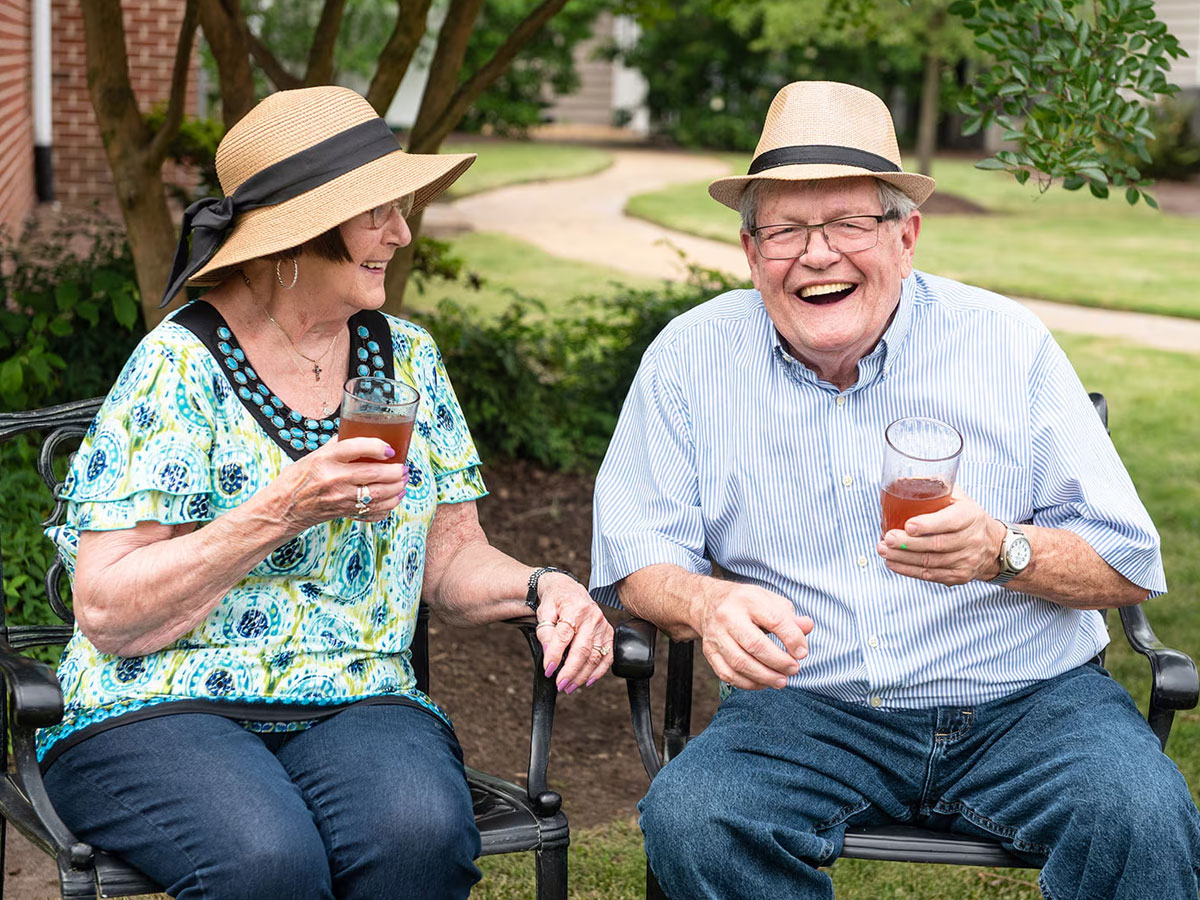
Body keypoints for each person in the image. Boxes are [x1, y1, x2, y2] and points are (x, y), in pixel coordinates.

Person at [589, 80, 1200, 899]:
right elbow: (637, 555)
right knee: (697, 817)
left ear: (906, 236)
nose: (816, 254)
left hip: (1029, 704)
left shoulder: (1005, 344)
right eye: (786, 230)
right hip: (806, 709)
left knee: (1142, 814)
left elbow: (1129, 563)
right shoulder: (690, 359)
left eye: (847, 223)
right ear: (749, 251)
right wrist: (704, 604)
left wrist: (1002, 550)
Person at [38, 85, 613, 900]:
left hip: (357, 694)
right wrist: (285, 505)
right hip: (163, 702)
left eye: (400, 208)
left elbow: (451, 557)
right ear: (303, 229)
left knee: (418, 837)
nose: (402, 233)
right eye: (377, 212)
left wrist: (543, 585)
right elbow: (107, 607)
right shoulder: (180, 366)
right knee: (266, 862)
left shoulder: (404, 358)